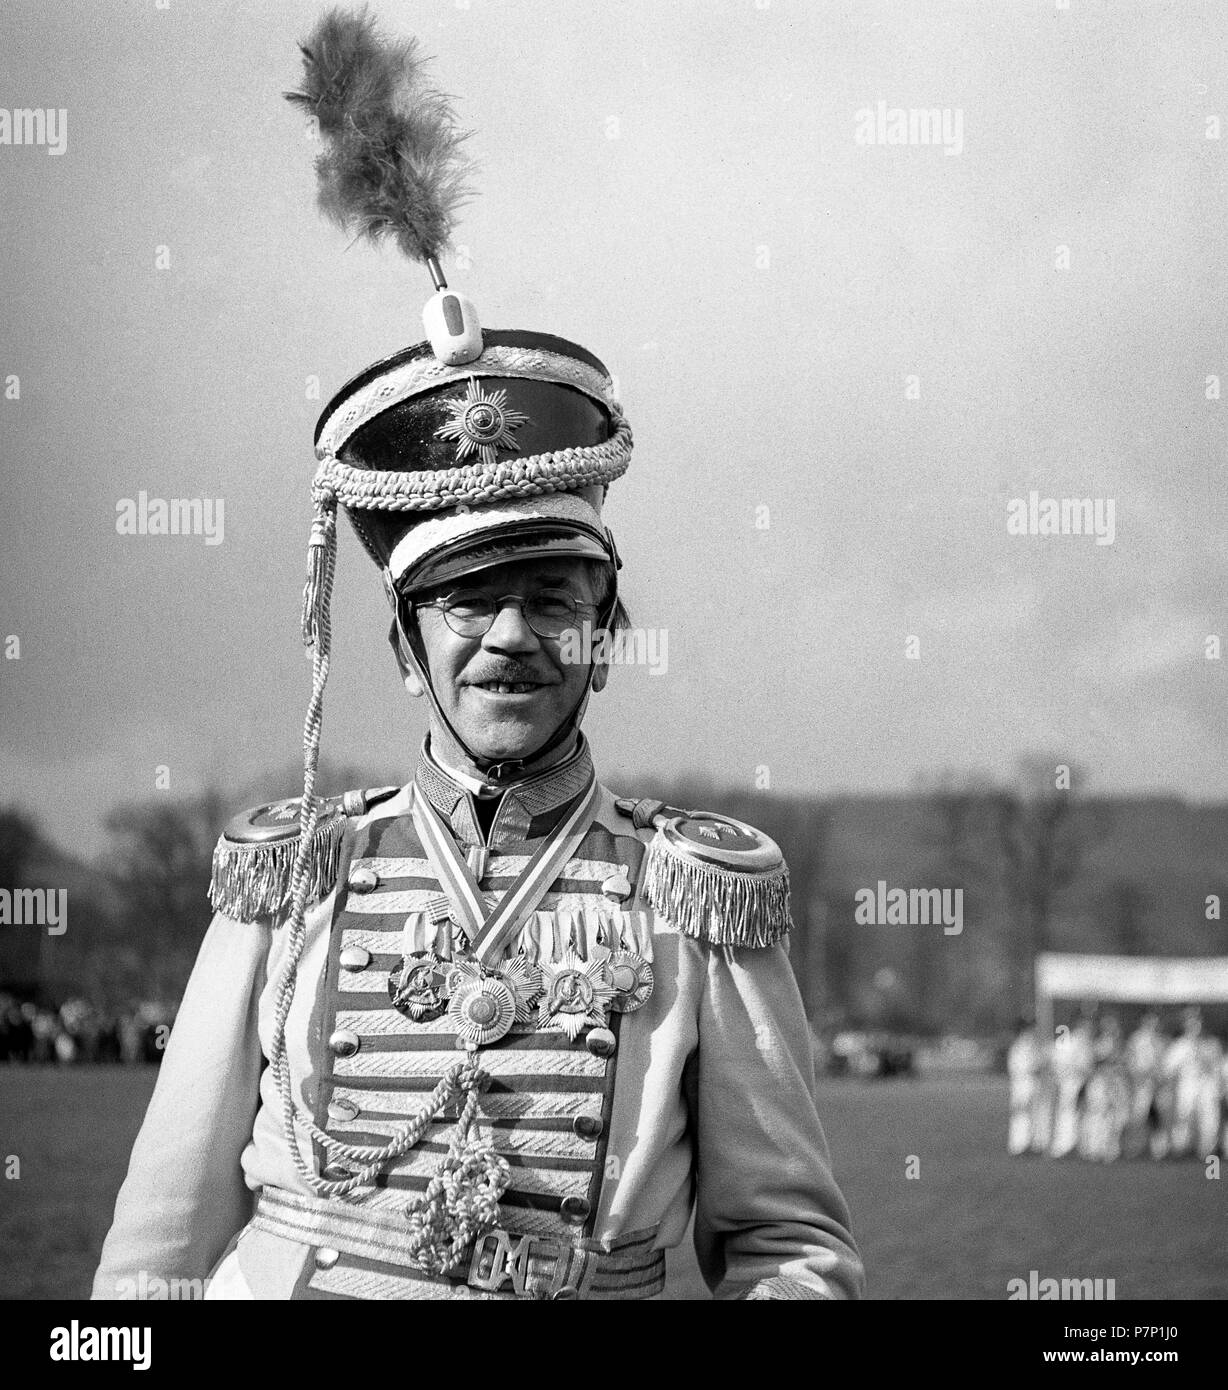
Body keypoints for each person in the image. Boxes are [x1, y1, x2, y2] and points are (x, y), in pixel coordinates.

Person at [92, 8, 863, 1303]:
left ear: (606, 634)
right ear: (404, 643)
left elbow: (786, 1246)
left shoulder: (696, 896)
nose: (511, 634)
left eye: (551, 596)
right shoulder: (294, 877)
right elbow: (157, 1253)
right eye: (465, 601)